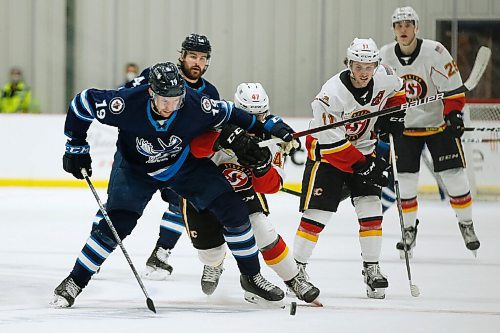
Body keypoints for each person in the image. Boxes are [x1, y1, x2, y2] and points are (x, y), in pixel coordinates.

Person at [49, 62, 295, 308]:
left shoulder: (196, 105)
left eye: (176, 100)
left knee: (233, 208)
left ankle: (251, 277)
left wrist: (271, 125)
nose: (170, 107)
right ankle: (74, 281)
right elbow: (82, 102)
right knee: (116, 224)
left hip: (181, 167)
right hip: (135, 171)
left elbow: (232, 112)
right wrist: (76, 145)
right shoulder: (125, 104)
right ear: (150, 93)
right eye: (164, 100)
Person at [180, 83, 319, 304]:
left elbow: (273, 186)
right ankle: (214, 263)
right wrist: (221, 139)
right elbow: (194, 149)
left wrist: (262, 168)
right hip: (203, 196)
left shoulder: (272, 138)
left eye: (261, 114)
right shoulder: (218, 119)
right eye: (249, 115)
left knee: (264, 232)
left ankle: (294, 279)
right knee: (211, 252)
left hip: (241, 194)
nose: (257, 121)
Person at [292, 38, 406, 299]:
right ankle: (295, 269)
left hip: (364, 149)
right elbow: (333, 145)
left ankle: (372, 268)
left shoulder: (385, 76)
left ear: (376, 64)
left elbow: (398, 92)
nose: (364, 72)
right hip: (328, 157)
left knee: (371, 210)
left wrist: (394, 114)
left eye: (369, 66)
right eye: (358, 66)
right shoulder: (330, 95)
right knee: (316, 215)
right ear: (348, 64)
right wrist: (365, 166)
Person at [379, 6, 480, 258]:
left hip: (438, 126)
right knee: (406, 183)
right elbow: (378, 93)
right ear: (393, 30)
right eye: (398, 25)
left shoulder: (435, 52)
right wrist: (382, 119)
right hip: (404, 128)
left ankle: (466, 223)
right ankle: (409, 230)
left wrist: (454, 113)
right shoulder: (383, 57)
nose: (403, 29)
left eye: (408, 24)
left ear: (416, 27)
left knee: (455, 178)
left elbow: (453, 88)